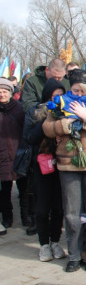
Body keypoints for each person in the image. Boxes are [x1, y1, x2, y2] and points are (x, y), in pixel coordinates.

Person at [42, 69, 86, 272]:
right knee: (72, 212)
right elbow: (47, 128)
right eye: (75, 90)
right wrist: (66, 123)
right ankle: (74, 254)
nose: (79, 95)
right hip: (68, 164)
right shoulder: (61, 103)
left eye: (83, 91)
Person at [23, 78, 66, 261]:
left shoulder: (67, 110)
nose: (57, 100)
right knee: (42, 208)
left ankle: (55, 241)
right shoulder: (35, 112)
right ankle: (44, 244)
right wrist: (47, 123)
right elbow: (28, 137)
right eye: (54, 96)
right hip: (41, 166)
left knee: (58, 207)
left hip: (62, 164)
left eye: (60, 96)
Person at [0, 78, 25, 234]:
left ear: (10, 93)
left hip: (18, 154)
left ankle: (26, 217)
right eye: (0, 92)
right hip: (2, 155)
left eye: (4, 91)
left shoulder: (19, 109)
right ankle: (7, 217)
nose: (2, 94)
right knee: (4, 190)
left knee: (23, 188)